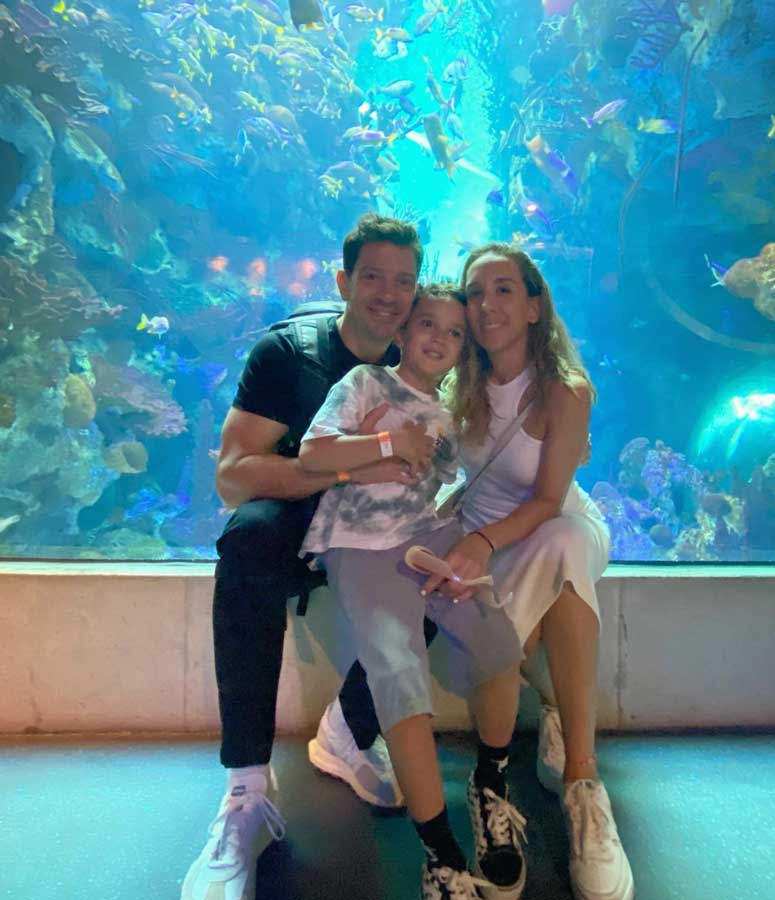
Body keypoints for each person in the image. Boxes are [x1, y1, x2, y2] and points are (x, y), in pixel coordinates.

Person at [182, 213, 432, 900]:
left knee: (443, 564)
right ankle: (246, 792)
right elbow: (234, 477)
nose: (388, 294)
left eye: (403, 281)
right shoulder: (289, 354)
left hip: (379, 527)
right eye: (372, 277)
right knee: (247, 536)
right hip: (299, 517)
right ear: (343, 281)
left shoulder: (424, 354)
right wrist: (347, 468)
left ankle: (350, 730)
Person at [297, 282, 528, 900]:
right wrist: (386, 443)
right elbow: (313, 453)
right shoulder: (365, 383)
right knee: (398, 672)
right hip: (360, 544)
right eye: (428, 324)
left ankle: (490, 784)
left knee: (497, 641)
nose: (439, 339)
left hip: (425, 536)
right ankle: (441, 856)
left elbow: (440, 485)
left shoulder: (449, 418)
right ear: (402, 330)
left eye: (455, 333)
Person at [421, 243, 635, 900]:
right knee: (518, 609)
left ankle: (579, 783)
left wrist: (481, 542)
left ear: (535, 305)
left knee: (561, 544)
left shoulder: (565, 391)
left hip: (554, 523)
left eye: (504, 289)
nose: (486, 304)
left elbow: (546, 500)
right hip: (484, 535)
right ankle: (516, 761)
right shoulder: (458, 383)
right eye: (474, 292)